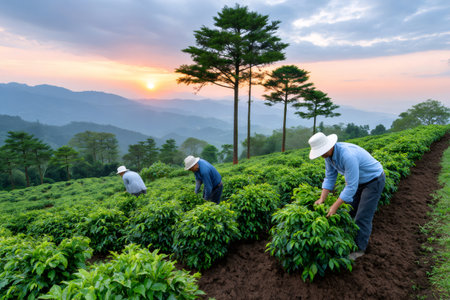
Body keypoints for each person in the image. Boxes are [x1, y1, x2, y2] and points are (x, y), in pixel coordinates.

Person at [308, 132, 385, 260]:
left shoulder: (347, 156)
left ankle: (360, 249)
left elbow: (350, 186)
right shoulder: (328, 157)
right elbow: (330, 177)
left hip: (373, 181)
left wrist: (334, 206)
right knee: (348, 211)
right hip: (359, 182)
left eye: (321, 151)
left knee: (362, 216)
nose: (320, 154)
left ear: (328, 147)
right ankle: (347, 241)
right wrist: (322, 199)